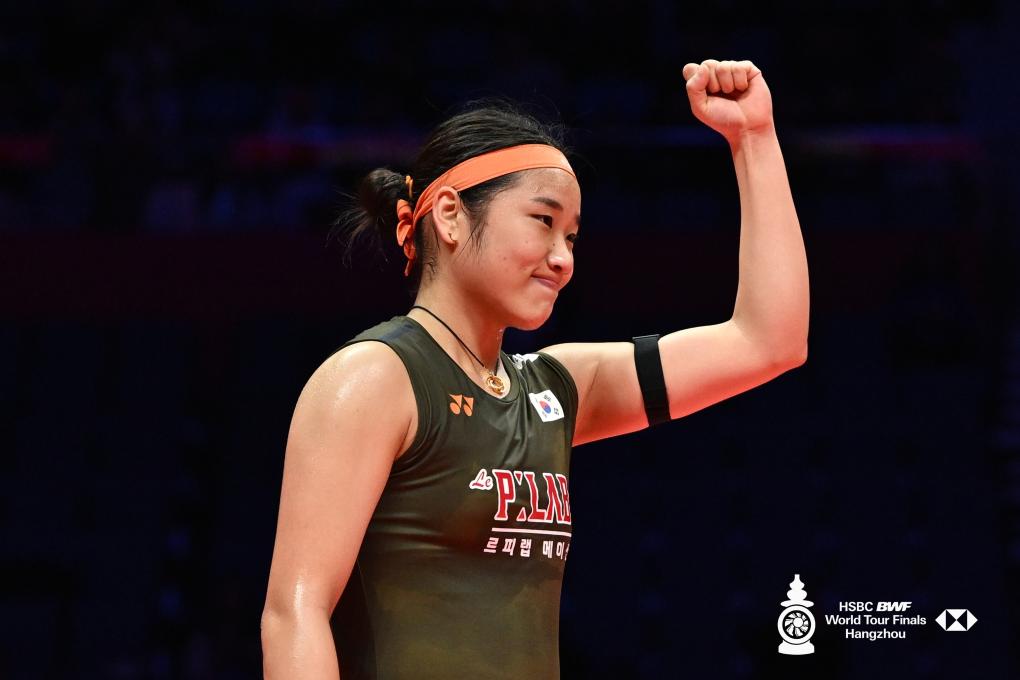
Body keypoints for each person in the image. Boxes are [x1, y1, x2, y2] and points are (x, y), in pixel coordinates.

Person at [261, 59, 809, 679]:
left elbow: (770, 342)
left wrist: (754, 139)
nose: (562, 258)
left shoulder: (556, 388)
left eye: (572, 237)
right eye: (543, 222)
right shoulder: (374, 379)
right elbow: (293, 613)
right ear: (450, 216)